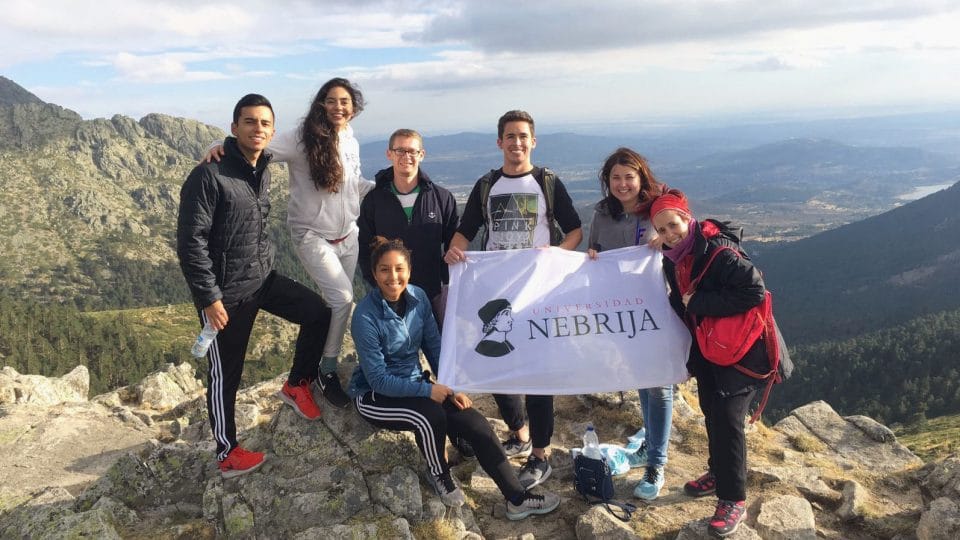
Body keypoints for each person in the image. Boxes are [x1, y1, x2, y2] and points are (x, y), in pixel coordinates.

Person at [348, 236, 561, 520]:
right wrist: (427, 392)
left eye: (399, 269)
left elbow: (436, 348)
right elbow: (377, 379)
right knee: (430, 417)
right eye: (384, 270)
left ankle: (517, 499)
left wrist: (452, 387)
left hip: (415, 383)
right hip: (376, 396)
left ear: (409, 271)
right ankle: (440, 474)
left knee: (476, 423)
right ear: (374, 274)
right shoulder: (365, 315)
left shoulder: (418, 298)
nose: (393, 277)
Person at [177, 94, 331, 478]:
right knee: (226, 373)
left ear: (272, 130)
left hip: (262, 278)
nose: (257, 129)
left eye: (264, 123)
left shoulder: (261, 165)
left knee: (319, 313)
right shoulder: (209, 176)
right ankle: (227, 452)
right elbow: (190, 242)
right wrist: (209, 298)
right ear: (234, 128)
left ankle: (297, 383)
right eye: (249, 122)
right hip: (226, 294)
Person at [205, 78, 373, 410]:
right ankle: (326, 370)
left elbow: (352, 185)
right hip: (311, 234)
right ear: (321, 104)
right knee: (342, 300)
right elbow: (257, 144)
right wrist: (217, 144)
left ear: (353, 108)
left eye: (345, 101)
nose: (339, 106)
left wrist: (388, 185)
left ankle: (305, 375)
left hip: (347, 236)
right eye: (332, 100)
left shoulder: (350, 140)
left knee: (331, 305)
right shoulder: (301, 139)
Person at [443, 110, 583, 489]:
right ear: (499, 142)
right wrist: (454, 252)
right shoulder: (486, 185)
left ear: (533, 141)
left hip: (538, 293)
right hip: (497, 292)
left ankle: (540, 455)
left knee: (537, 373)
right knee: (498, 364)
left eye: (523, 136)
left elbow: (574, 231)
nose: (516, 142)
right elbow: (465, 231)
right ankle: (519, 433)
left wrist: (554, 256)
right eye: (510, 136)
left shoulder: (547, 182)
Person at [649, 189, 768, 537]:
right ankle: (718, 472)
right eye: (663, 229)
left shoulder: (719, 252)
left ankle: (733, 499)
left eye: (674, 224)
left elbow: (754, 292)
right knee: (712, 411)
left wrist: (700, 301)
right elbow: (684, 305)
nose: (671, 234)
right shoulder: (674, 258)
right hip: (709, 349)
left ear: (687, 218)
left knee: (729, 419)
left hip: (742, 352)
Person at [586, 147, 674, 501]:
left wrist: (664, 240)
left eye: (629, 177)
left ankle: (657, 462)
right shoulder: (602, 215)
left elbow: (686, 237)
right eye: (616, 178)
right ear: (607, 181)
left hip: (659, 310)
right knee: (642, 379)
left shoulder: (659, 209)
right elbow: (594, 254)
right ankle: (649, 445)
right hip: (624, 314)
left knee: (659, 385)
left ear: (642, 178)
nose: (623, 184)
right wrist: (591, 258)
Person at [357, 129, 458, 324]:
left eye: (412, 151)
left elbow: (454, 247)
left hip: (433, 296)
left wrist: (447, 286)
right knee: (396, 354)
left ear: (421, 154)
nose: (406, 156)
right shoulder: (373, 201)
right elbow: (364, 250)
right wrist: (380, 286)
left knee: (440, 353)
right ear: (389, 154)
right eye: (400, 151)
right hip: (391, 298)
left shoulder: (441, 198)